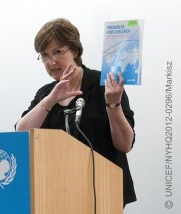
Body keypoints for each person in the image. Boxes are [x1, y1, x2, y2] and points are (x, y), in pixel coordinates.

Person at [15, 18, 136, 207]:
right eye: (44, 55)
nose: (51, 62)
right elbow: (21, 133)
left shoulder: (105, 85)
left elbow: (125, 144)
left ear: (76, 51)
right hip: (56, 193)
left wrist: (113, 104)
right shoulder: (46, 93)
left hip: (102, 192)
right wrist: (50, 100)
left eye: (57, 52)